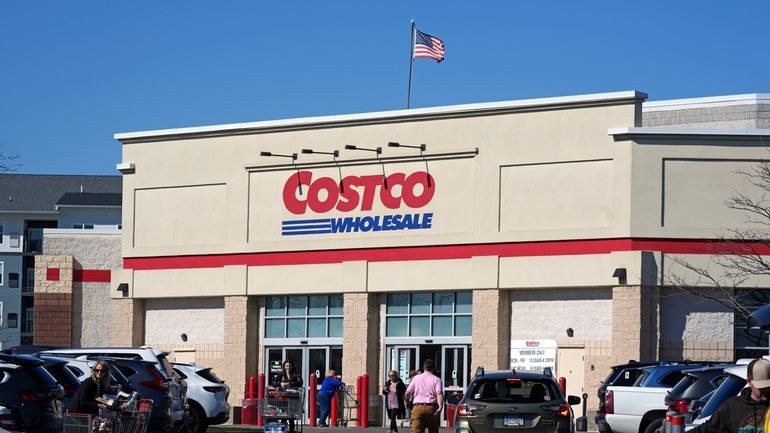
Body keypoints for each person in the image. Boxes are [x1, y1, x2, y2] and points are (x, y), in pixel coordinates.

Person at [694, 358, 770, 433]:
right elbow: (707, 429)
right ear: (749, 382)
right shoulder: (732, 407)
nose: (767, 390)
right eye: (762, 387)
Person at [404, 360, 443, 433]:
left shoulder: (416, 378)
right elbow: (439, 393)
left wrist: (407, 402)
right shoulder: (437, 379)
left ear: (423, 368)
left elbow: (407, 393)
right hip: (431, 408)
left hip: (418, 407)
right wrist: (440, 406)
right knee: (433, 430)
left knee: (416, 431)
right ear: (433, 368)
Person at [271, 360, 303, 433]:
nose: (288, 367)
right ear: (284, 367)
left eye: (289, 366)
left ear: (292, 366)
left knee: (291, 416)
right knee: (284, 415)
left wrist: (289, 384)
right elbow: (273, 382)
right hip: (284, 398)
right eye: (286, 366)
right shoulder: (281, 374)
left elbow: (300, 382)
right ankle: (283, 430)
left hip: (293, 398)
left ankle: (291, 430)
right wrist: (280, 383)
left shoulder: (296, 374)